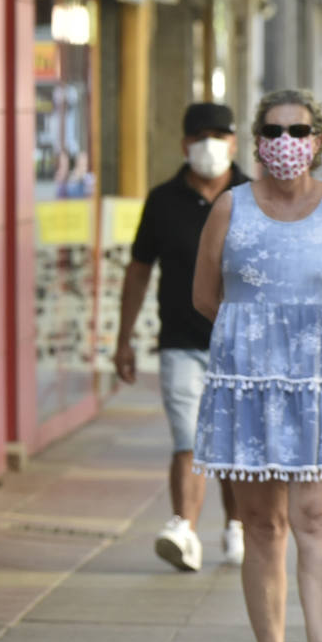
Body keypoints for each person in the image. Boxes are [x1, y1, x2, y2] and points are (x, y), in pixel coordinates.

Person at [191, 88, 322, 642]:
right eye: (273, 131)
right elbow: (204, 296)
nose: (285, 142)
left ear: (318, 140)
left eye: (298, 131)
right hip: (247, 384)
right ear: (256, 140)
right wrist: (258, 335)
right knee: (263, 524)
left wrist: (306, 339)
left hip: (320, 384)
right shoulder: (230, 207)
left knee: (317, 518)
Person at [116, 102, 247, 573]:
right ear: (184, 144)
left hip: (241, 344)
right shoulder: (163, 199)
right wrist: (124, 337)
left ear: (234, 142)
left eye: (220, 135)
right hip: (180, 341)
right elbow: (138, 270)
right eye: (200, 136)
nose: (210, 145)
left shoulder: (253, 196)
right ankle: (184, 529)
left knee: (231, 442)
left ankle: (237, 526)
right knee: (188, 438)